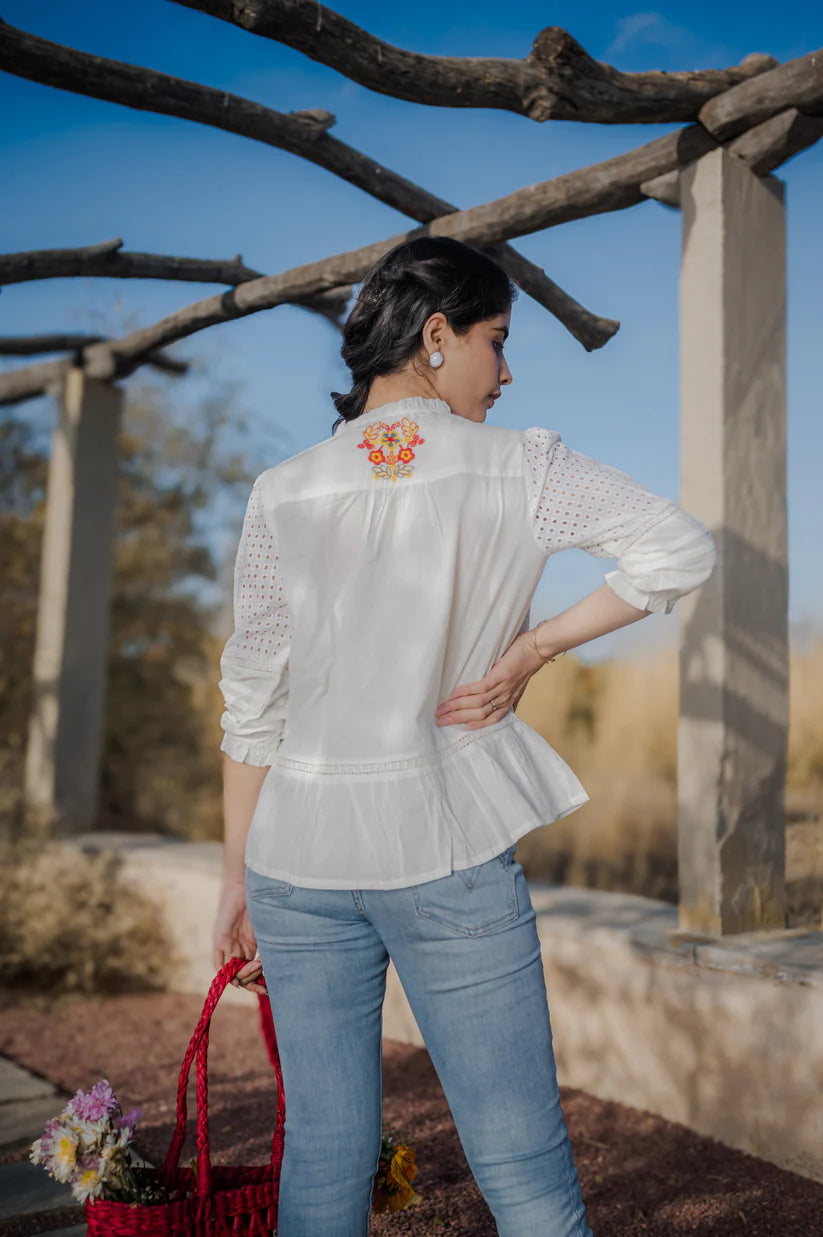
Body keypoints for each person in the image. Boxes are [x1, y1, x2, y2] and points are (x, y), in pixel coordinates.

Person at [212, 235, 717, 1237]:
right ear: (435, 336)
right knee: (522, 1167)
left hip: (293, 860)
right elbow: (677, 546)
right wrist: (532, 649)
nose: (507, 367)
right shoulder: (518, 467)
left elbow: (251, 699)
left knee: (319, 1147)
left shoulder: (285, 489)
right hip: (442, 843)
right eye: (497, 339)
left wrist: (236, 879)